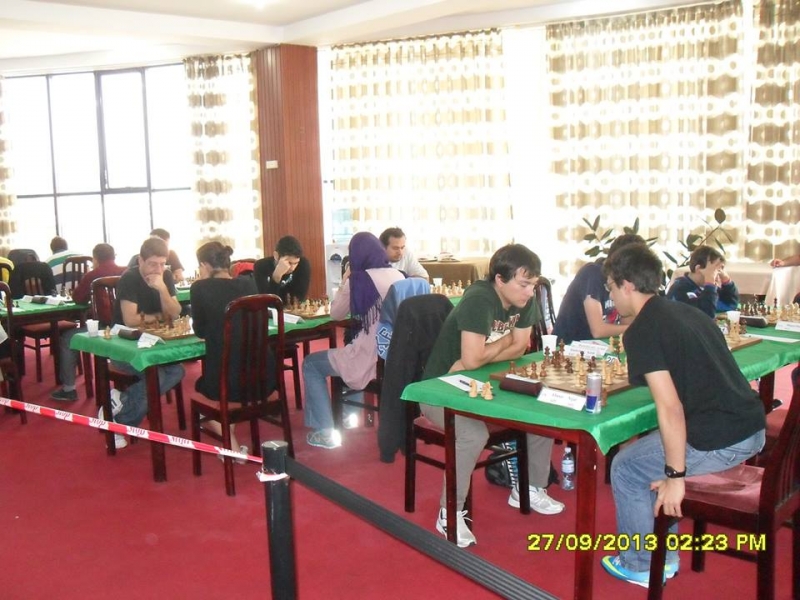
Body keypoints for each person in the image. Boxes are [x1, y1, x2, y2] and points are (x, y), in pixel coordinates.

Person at [600, 244, 765, 587]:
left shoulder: (642, 329)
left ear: (627, 285)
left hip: (721, 438)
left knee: (626, 467)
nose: (611, 297)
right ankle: (665, 558)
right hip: (751, 425)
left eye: (611, 288)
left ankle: (640, 563)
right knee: (647, 456)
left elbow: (670, 408)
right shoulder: (686, 313)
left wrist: (675, 476)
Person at [422, 244, 565, 548]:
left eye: (533, 284)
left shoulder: (524, 299)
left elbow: (520, 347)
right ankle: (450, 512)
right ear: (500, 280)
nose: (530, 292)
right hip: (440, 388)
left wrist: (484, 354)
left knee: (542, 408)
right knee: (472, 435)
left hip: (487, 381)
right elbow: (476, 358)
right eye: (523, 284)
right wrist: (501, 345)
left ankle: (530, 487)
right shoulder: (480, 299)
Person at [303, 231, 404, 449]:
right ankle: (350, 414)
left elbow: (336, 314)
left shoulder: (359, 281)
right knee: (351, 349)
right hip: (394, 356)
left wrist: (345, 281)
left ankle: (324, 431)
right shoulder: (399, 276)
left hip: (369, 357)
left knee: (311, 364)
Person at [105, 237, 185, 448]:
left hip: (154, 342)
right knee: (156, 376)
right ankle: (121, 421)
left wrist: (162, 290)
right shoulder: (129, 278)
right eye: (152, 264)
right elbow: (131, 320)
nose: (157, 269)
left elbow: (175, 313)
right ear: (140, 260)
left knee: (177, 371)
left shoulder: (165, 276)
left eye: (162, 264)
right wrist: (161, 316)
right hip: (124, 346)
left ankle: (121, 408)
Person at [190, 241, 260, 457]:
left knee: (204, 388)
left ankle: (232, 448)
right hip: (261, 376)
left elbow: (200, 331)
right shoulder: (249, 283)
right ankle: (230, 445)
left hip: (227, 382)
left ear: (204, 265)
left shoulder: (200, 288)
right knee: (225, 382)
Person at [50, 243, 126, 402]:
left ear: (95, 259)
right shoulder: (126, 271)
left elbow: (78, 298)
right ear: (114, 256)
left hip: (104, 328)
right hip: (126, 327)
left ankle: (69, 388)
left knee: (67, 339)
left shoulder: (93, 275)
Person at [553, 234, 645, 343]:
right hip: (568, 346)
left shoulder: (628, 282)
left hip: (602, 346)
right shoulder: (592, 274)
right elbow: (598, 331)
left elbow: (627, 321)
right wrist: (638, 329)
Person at [666, 245, 739, 317]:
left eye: (719, 270)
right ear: (698, 269)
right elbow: (705, 316)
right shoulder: (680, 289)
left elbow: (730, 305)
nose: (717, 274)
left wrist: (726, 280)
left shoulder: (704, 288)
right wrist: (710, 284)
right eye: (714, 270)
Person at [253, 235, 311, 303]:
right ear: (276, 256)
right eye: (289, 263)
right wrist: (276, 277)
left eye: (296, 263)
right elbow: (267, 301)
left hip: (291, 308)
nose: (292, 268)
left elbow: (299, 297)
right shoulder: (260, 266)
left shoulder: (303, 264)